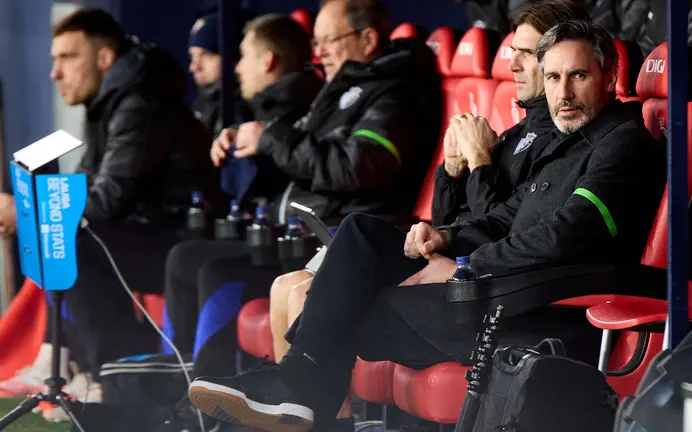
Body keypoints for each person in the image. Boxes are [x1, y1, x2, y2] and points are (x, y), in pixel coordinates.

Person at [187, 20, 666, 432]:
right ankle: (300, 380)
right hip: (493, 287)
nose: (562, 92)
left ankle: (302, 384)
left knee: (346, 309)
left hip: (528, 307)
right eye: (554, 77)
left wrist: (463, 265)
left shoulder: (621, 142)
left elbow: (571, 234)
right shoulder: (563, 142)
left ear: (608, 76)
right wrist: (445, 238)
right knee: (360, 232)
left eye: (578, 76)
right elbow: (505, 215)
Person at [267, 0, 590, 383]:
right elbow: (451, 216)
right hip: (457, 260)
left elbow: (507, 225)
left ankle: (299, 396)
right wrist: (454, 170)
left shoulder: (561, 140)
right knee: (304, 276)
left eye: (526, 54)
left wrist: (481, 162)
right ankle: (287, 394)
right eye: (512, 52)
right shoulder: (521, 131)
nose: (512, 65)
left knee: (313, 296)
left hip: (482, 284)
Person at [157, 0, 442, 429]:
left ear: (367, 38)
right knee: (277, 285)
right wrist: (253, 142)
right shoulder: (338, 88)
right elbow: (309, 157)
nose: (320, 51)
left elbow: (357, 166)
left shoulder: (396, 92)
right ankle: (290, 411)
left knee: (277, 287)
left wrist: (271, 138)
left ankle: (240, 412)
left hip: (359, 235)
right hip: (316, 231)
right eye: (317, 41)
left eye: (330, 40)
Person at [0, 8, 219, 399]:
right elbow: (90, 185)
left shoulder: (139, 103)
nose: (55, 73)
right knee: (68, 234)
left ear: (104, 59)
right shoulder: (113, 100)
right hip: (153, 232)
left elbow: (107, 202)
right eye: (53, 59)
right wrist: (36, 206)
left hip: (182, 240)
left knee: (76, 241)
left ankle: (116, 380)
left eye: (67, 58)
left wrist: (25, 211)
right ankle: (86, 364)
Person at [188, 9, 254, 137]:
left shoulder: (243, 112)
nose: (194, 66)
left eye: (206, 55)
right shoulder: (202, 103)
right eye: (192, 56)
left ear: (235, 57)